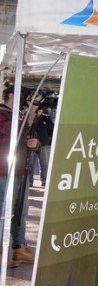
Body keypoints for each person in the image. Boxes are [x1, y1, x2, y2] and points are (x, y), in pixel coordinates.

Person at [0, 83, 40, 267]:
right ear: (11, 96)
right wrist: (30, 114)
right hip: (4, 171)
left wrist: (35, 143)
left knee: (20, 211)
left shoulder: (19, 116)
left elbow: (26, 136)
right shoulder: (3, 115)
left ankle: (19, 247)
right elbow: (11, 135)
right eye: (24, 96)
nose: (26, 101)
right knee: (3, 211)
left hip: (21, 169)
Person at [30, 100, 53, 187]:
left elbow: (52, 130)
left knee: (44, 163)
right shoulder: (30, 117)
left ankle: (45, 180)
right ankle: (29, 181)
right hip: (31, 144)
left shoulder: (46, 118)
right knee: (30, 164)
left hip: (44, 144)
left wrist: (49, 140)